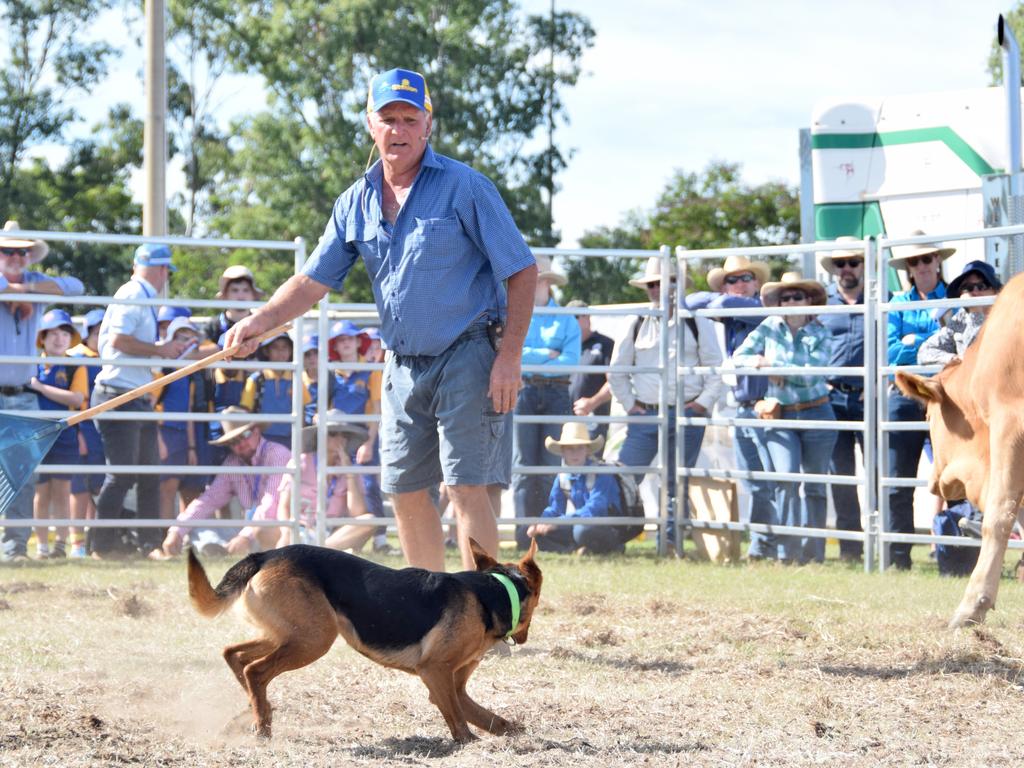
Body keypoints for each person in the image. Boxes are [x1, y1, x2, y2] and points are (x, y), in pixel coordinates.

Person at [223, 67, 537, 572]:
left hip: (471, 351)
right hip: (402, 363)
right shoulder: (355, 202)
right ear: (371, 124)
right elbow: (311, 282)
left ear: (427, 125)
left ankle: (485, 618)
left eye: (409, 118)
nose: (399, 129)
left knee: (465, 485)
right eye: (388, 118)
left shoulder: (466, 187)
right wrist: (259, 321)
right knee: (405, 488)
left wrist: (510, 356)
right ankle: (430, 611)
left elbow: (521, 270)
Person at [608, 256, 724, 551]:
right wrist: (630, 404)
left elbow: (715, 369)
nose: (658, 289)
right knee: (625, 477)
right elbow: (616, 372)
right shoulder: (634, 322)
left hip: (686, 410)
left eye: (665, 282)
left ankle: (670, 539)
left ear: (677, 285)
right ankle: (615, 535)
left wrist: (700, 404)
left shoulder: (698, 323)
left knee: (676, 482)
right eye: (653, 284)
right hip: (646, 413)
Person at [90, 244, 189, 558]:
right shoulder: (134, 294)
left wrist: (160, 349)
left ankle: (148, 544)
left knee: (147, 473)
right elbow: (120, 341)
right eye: (166, 272)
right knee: (122, 474)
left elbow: (122, 343)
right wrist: (160, 350)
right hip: (120, 394)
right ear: (162, 270)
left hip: (133, 394)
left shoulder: (138, 296)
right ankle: (101, 546)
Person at [733, 272, 837, 564]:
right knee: (785, 479)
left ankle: (814, 553)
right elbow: (739, 357)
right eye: (785, 297)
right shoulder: (769, 326)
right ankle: (787, 553)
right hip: (781, 413)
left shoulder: (821, 331)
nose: (791, 301)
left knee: (814, 485)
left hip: (817, 412)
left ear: (809, 301)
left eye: (797, 296)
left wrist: (772, 365)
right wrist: (759, 362)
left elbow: (813, 373)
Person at [0, 222, 85, 562]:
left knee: (21, 475)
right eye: (8, 251)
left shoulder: (36, 285)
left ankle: (15, 547)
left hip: (22, 393)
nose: (16, 257)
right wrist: (15, 291)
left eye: (23, 251)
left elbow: (75, 286)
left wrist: (24, 292)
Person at [686, 255, 777, 560]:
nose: (740, 284)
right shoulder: (731, 312)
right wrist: (720, 299)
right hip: (742, 407)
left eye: (745, 278)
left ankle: (772, 544)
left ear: (757, 283)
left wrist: (723, 299)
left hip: (769, 406)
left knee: (774, 479)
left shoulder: (759, 310)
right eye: (732, 279)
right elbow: (691, 301)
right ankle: (762, 546)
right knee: (754, 480)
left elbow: (716, 305)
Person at [885, 231, 952, 570]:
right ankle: (898, 559)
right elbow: (890, 351)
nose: (923, 265)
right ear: (908, 268)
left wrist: (914, 341)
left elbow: (960, 344)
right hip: (904, 392)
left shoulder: (955, 296)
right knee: (898, 480)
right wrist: (932, 341)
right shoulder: (896, 303)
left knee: (954, 478)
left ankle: (954, 556)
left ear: (938, 260)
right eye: (916, 261)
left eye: (927, 258)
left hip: (946, 395)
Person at [150, 407, 293, 558]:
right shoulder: (233, 463)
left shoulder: (277, 454)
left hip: (277, 529)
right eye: (233, 441)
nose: (240, 444)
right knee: (196, 526)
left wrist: (245, 536)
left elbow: (271, 505)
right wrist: (176, 531)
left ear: (256, 431)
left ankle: (223, 549)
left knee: (263, 529)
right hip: (250, 528)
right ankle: (224, 549)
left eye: (245, 434)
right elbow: (209, 499)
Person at [513, 256, 581, 548]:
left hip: (553, 391)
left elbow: (570, 362)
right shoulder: (518, 313)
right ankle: (523, 537)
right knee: (524, 466)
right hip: (526, 390)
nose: (533, 283)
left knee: (550, 465)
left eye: (538, 278)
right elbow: (513, 353)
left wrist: (530, 354)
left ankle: (547, 536)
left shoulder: (565, 317)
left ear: (547, 283)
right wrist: (548, 355)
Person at [818, 237, 868, 563]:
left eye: (852, 262)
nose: (847, 268)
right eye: (841, 263)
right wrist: (819, 379)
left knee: (880, 474)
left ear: (863, 265)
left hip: (869, 397)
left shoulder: (881, 299)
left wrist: (882, 382)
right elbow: (812, 346)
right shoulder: (822, 304)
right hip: (833, 397)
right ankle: (851, 550)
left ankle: (887, 545)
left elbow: (890, 346)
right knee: (841, 478)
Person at [30, 309, 88, 559]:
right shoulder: (30, 363)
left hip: (65, 435)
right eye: (52, 333)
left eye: (64, 333)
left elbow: (77, 398)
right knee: (40, 493)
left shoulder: (76, 365)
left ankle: (61, 546)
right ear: (42, 337)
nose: (59, 338)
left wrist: (41, 387)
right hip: (36, 436)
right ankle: (42, 547)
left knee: (62, 492)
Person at [328, 319, 388, 551]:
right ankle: (348, 538)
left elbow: (375, 408)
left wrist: (370, 443)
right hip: (338, 435)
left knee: (368, 484)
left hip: (363, 435)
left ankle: (380, 538)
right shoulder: (332, 372)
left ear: (357, 342)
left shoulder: (371, 370)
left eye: (349, 338)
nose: (345, 343)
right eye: (341, 340)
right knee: (338, 485)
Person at [275, 411, 374, 550]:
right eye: (333, 433)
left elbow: (357, 514)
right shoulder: (299, 462)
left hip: (334, 533)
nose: (341, 439)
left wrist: (348, 474)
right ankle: (320, 552)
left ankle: (317, 551)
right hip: (301, 529)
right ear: (319, 437)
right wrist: (287, 531)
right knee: (265, 532)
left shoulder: (350, 468)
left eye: (344, 435)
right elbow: (283, 506)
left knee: (370, 521)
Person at [526, 422, 628, 554]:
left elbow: (595, 509)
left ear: (587, 450)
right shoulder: (563, 476)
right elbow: (555, 509)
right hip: (580, 524)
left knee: (581, 531)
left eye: (579, 447)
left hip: (608, 528)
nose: (575, 453)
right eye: (570, 448)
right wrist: (541, 523)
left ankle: (612, 547)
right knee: (529, 533)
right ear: (562, 451)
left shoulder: (602, 473)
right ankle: (577, 550)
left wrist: (559, 523)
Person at [152, 316, 206, 524]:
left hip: (182, 436)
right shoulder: (162, 371)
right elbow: (150, 408)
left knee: (182, 487)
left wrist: (191, 447)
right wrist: (159, 440)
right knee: (166, 489)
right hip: (164, 433)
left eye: (192, 339)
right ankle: (162, 534)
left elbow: (189, 411)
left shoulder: (189, 375)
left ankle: (181, 535)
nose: (188, 344)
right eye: (183, 338)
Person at [68, 308, 106, 558]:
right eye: (96, 330)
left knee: (100, 488)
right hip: (82, 428)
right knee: (79, 489)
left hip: (103, 430)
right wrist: (78, 432)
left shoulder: (111, 357)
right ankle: (77, 544)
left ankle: (93, 540)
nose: (100, 334)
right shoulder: (75, 357)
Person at [918, 260, 1002, 366]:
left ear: (996, 291)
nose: (975, 292)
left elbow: (976, 358)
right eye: (968, 288)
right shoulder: (960, 318)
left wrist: (975, 313)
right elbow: (924, 352)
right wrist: (954, 359)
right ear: (961, 293)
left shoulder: (1006, 318)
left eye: (982, 286)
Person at [240, 331, 309, 449]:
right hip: (261, 441)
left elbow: (302, 411)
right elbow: (245, 411)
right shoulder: (256, 380)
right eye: (275, 347)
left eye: (285, 347)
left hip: (290, 439)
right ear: (266, 351)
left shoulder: (296, 379)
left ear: (291, 351)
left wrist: (301, 441)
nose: (280, 351)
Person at [567, 299, 614, 441]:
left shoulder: (606, 344)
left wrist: (592, 403)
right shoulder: (563, 347)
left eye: (575, 316)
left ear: (587, 317)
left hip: (593, 420)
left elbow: (615, 382)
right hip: (563, 419)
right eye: (566, 317)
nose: (570, 321)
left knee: (590, 462)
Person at [201, 265, 264, 347]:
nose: (241, 295)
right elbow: (198, 353)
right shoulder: (212, 327)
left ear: (253, 295)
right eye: (235, 290)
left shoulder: (263, 324)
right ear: (226, 295)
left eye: (246, 290)